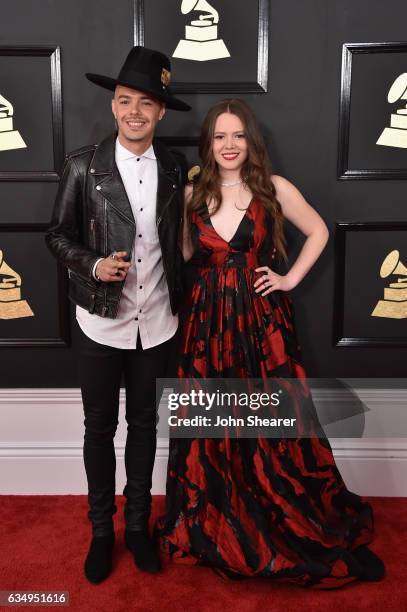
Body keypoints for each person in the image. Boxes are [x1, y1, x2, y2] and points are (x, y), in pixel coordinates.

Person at [156, 98, 385, 588]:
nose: (229, 145)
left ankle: (275, 507)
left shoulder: (273, 188)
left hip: (262, 325)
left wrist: (288, 279)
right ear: (208, 144)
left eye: (238, 135)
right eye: (220, 136)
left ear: (251, 141)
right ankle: (220, 509)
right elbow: (183, 255)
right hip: (206, 326)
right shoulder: (194, 193)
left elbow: (320, 231)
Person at [45, 46, 191, 584]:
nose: (135, 112)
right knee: (99, 428)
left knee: (146, 426)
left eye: (146, 103)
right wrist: (91, 264)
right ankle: (101, 533)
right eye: (126, 100)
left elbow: (178, 244)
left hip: (157, 322)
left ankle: (136, 527)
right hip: (100, 322)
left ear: (160, 113)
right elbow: (56, 236)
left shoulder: (175, 169)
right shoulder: (83, 166)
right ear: (113, 106)